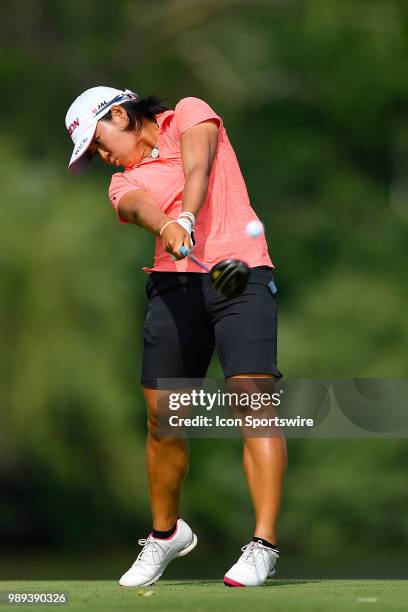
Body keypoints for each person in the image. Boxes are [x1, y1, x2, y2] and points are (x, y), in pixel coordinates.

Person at [65, 86, 287, 588]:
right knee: (163, 417)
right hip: (174, 288)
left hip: (241, 274)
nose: (102, 158)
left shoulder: (189, 112)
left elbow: (198, 168)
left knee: (254, 400)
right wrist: (166, 224)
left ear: (119, 115)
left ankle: (264, 545)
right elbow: (141, 206)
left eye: (99, 143)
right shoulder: (121, 183)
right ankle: (166, 535)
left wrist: (186, 215)